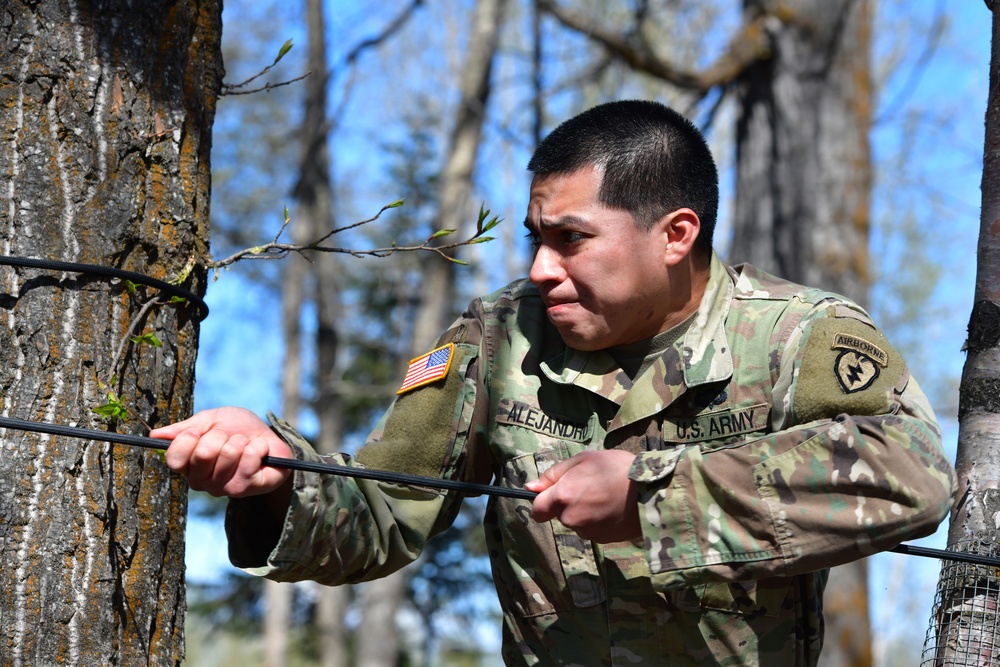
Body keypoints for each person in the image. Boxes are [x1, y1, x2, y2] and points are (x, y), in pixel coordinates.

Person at [155, 100, 957, 666]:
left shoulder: (794, 334)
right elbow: (384, 512)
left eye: (572, 239)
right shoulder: (500, 336)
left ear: (676, 234)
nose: (541, 268)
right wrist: (273, 477)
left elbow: (913, 474)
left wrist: (653, 494)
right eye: (538, 237)